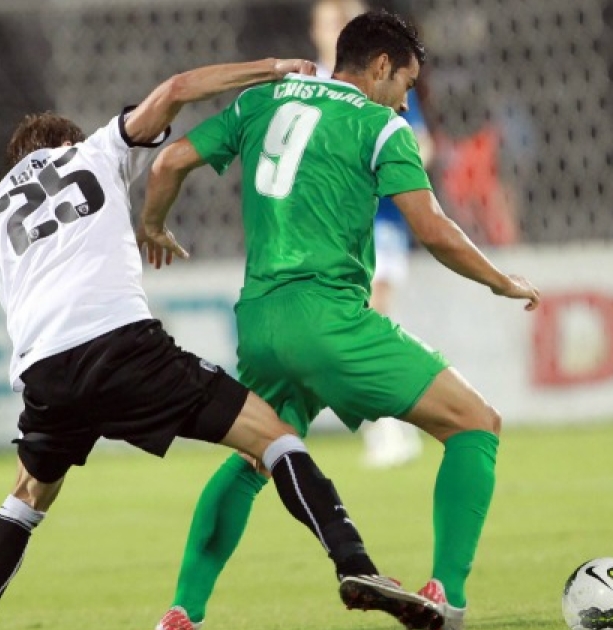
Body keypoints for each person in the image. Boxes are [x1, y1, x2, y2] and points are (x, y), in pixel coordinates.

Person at [0, 57, 443, 630]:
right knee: (273, 437)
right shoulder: (95, 150)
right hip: (125, 348)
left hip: (46, 374)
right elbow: (176, 90)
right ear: (66, 143)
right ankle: (355, 565)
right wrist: (272, 69)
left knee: (24, 498)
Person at [138, 10, 540, 630]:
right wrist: (500, 279)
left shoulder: (263, 99)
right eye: (405, 85)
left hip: (260, 322)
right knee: (475, 424)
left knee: (257, 456)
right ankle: (448, 597)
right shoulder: (381, 126)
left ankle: (183, 612)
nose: (404, 102)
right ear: (380, 67)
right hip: (329, 319)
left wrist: (153, 224)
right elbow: (432, 228)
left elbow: (167, 163)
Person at [310, 0, 433, 469]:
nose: (337, 30)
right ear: (316, 30)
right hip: (324, 224)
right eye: (330, 23)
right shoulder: (306, 85)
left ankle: (389, 424)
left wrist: (389, 163)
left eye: (344, 21)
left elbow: (422, 143)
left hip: (378, 218)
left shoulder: (382, 81)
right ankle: (392, 417)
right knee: (349, 325)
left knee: (371, 313)